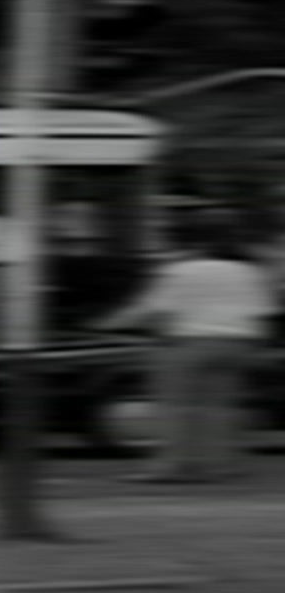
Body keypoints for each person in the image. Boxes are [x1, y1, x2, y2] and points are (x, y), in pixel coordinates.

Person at [97, 207, 273, 483]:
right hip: (238, 345)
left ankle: (172, 467)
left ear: (191, 241)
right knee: (219, 408)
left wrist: (106, 324)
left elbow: (150, 309)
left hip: (192, 345)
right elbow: (262, 313)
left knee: (176, 408)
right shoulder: (248, 270)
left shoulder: (182, 270)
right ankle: (221, 466)